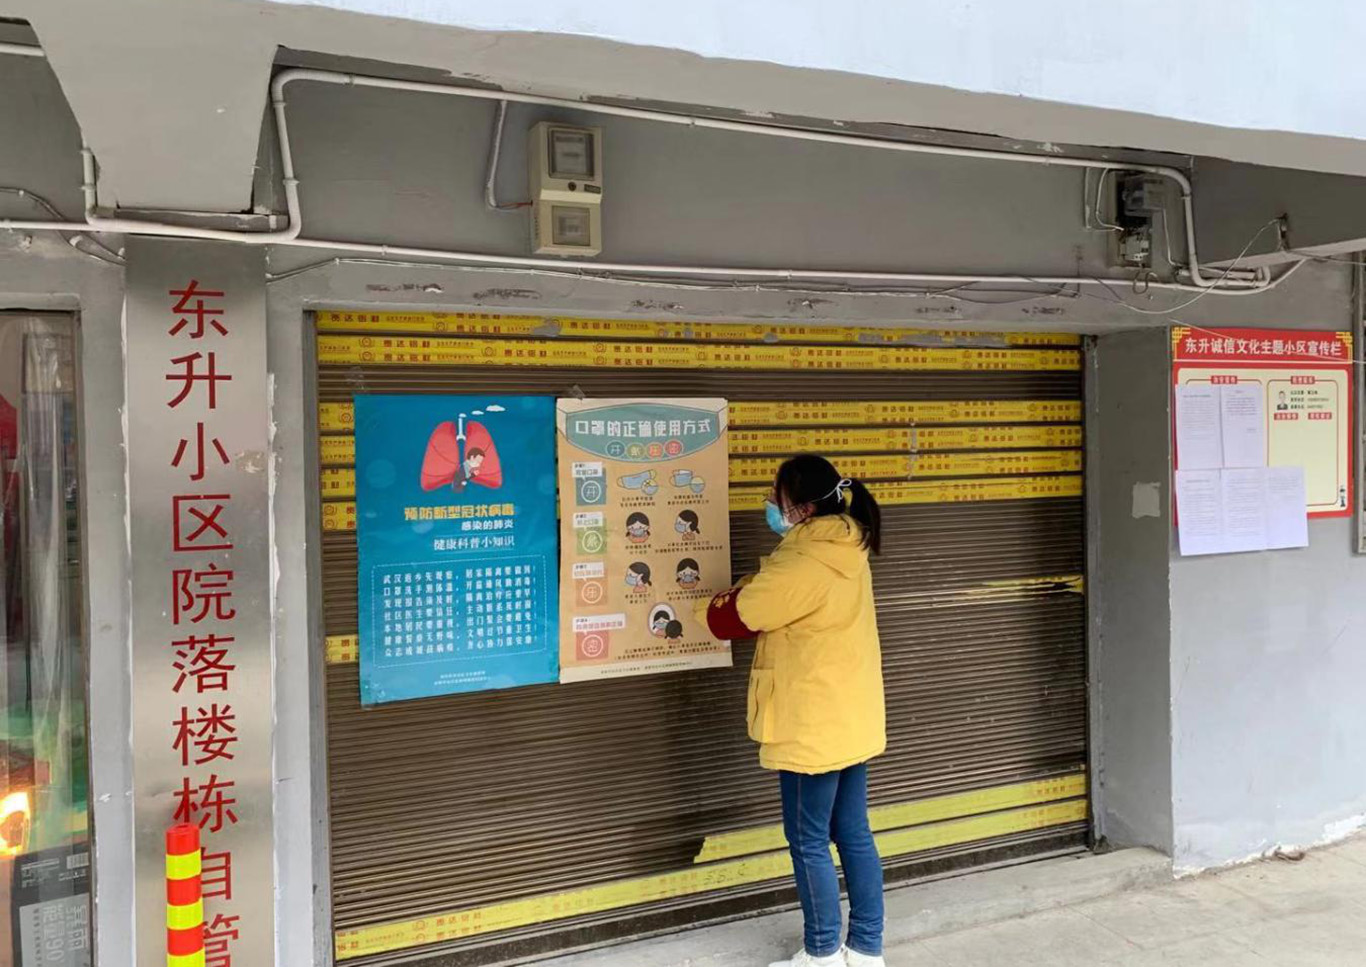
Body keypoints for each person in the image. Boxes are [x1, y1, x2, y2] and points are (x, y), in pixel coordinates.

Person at [698, 454, 886, 967]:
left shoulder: (802, 561)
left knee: (807, 839)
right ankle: (866, 949)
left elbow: (733, 619)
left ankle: (821, 952)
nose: (769, 503)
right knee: (853, 832)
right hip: (850, 714)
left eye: (776, 496)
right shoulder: (848, 545)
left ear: (802, 508)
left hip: (812, 724)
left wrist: (702, 600)